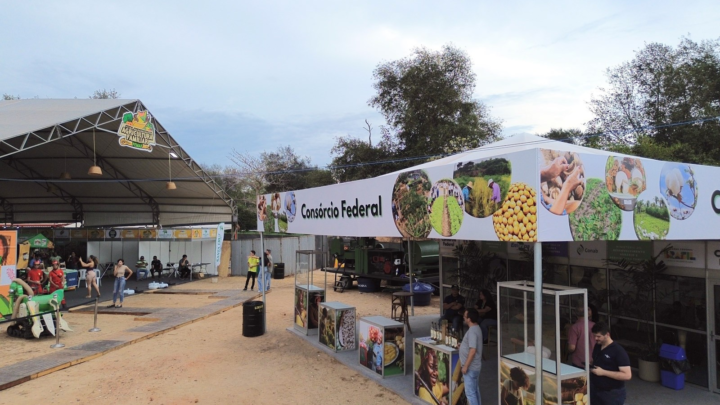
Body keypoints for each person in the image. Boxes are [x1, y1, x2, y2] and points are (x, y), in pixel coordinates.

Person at [590, 322, 631, 405]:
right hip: (595, 389)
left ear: (607, 334)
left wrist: (603, 372)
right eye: (594, 336)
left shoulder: (618, 351)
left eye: (598, 336)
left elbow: (627, 375)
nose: (595, 339)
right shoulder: (597, 346)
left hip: (612, 393)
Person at [460, 308, 483, 405]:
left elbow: (473, 350)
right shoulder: (477, 328)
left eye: (465, 316)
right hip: (475, 366)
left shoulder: (472, 331)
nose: (464, 318)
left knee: (470, 393)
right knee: (475, 390)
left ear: (469, 319)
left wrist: (465, 366)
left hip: (471, 368)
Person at [568, 303, 597, 368]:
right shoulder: (595, 325)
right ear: (589, 313)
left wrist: (567, 351)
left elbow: (571, 347)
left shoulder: (574, 327)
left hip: (579, 361)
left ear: (576, 313)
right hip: (593, 360)